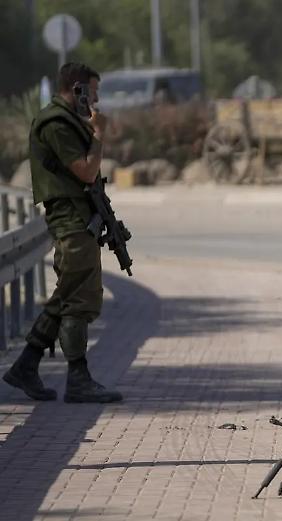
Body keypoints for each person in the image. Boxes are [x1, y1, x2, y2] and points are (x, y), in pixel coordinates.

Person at [2, 62, 122, 404]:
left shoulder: (69, 122)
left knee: (77, 296)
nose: (96, 101)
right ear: (78, 89)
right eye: (93, 92)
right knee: (72, 295)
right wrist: (98, 135)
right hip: (69, 220)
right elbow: (85, 171)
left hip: (79, 218)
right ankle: (68, 375)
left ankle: (33, 365)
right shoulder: (55, 123)